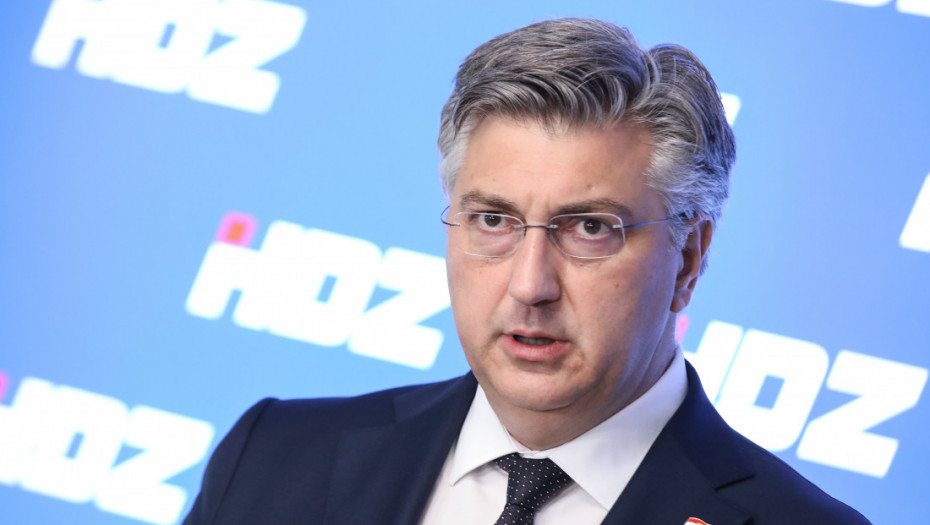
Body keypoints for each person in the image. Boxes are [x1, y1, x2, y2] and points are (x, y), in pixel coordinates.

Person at [183, 18, 870, 525]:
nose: (530, 285)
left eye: (590, 228)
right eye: (493, 220)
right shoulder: (272, 456)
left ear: (688, 258)